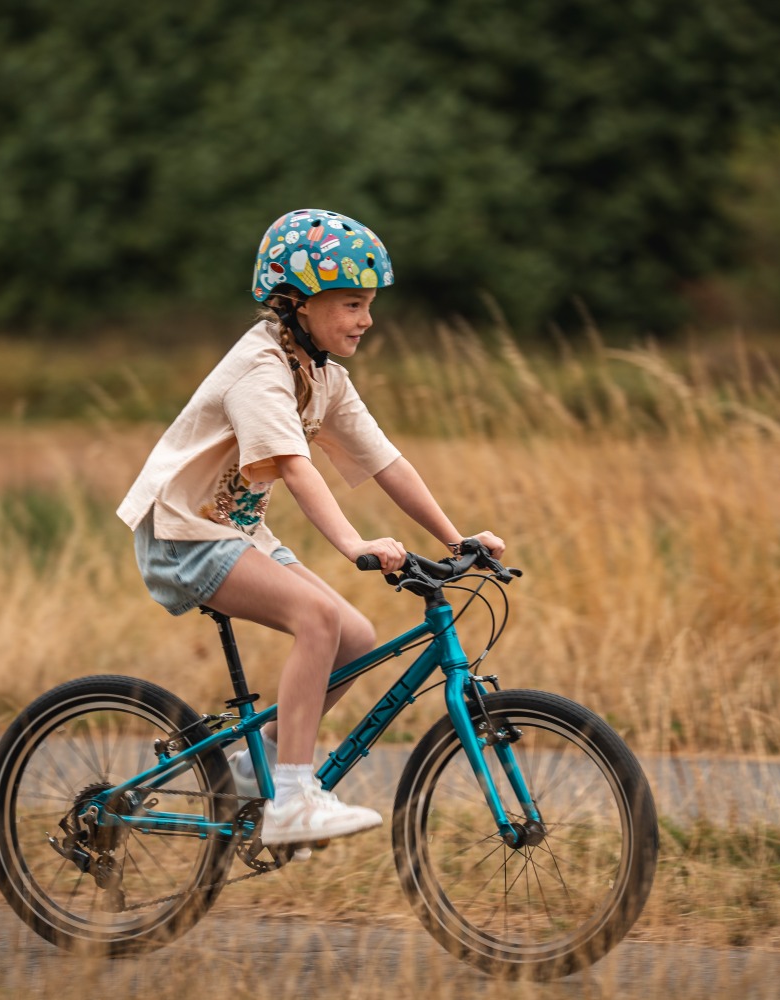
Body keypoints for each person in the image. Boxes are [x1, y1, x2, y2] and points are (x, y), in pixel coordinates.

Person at [116, 208, 504, 849]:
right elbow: (296, 469)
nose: (367, 319)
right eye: (352, 303)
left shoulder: (322, 375)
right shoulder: (260, 372)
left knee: (355, 635)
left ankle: (257, 766)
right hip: (183, 535)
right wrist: (354, 546)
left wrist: (454, 538)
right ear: (295, 302)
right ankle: (291, 800)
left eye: (370, 304)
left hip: (232, 533)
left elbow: (387, 462)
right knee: (318, 622)